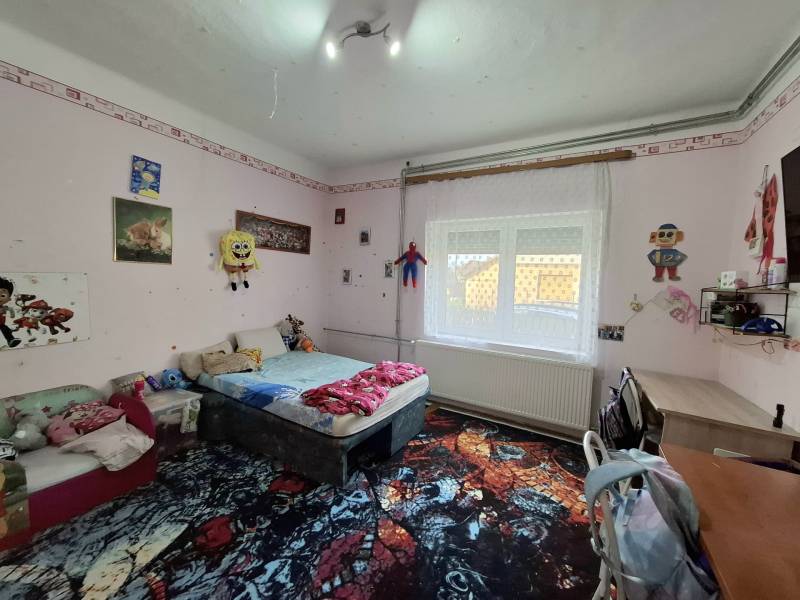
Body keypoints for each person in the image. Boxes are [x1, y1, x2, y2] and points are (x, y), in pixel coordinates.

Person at [0, 277, 22, 348]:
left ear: (9, 298)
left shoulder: (4, 307)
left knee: (4, 328)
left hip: (1, 324)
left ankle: (10, 339)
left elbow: (12, 314)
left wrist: (10, 311)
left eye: (3, 295)